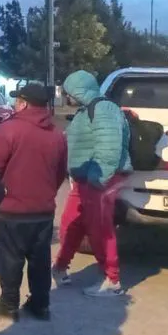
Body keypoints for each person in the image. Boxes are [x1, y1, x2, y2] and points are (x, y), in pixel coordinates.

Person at [0, 83, 67, 321]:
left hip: (13, 208)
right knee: (40, 259)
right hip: (44, 209)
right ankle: (40, 304)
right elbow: (60, 172)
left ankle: (9, 304)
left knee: (10, 259)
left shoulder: (9, 130)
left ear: (25, 103)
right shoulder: (56, 134)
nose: (16, 103)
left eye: (19, 100)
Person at [53, 70, 131, 297]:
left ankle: (112, 279)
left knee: (99, 228)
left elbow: (109, 146)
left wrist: (98, 178)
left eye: (69, 92)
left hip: (99, 178)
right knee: (70, 223)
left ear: (78, 90)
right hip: (84, 178)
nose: (67, 97)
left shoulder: (103, 108)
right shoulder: (85, 110)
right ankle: (59, 268)